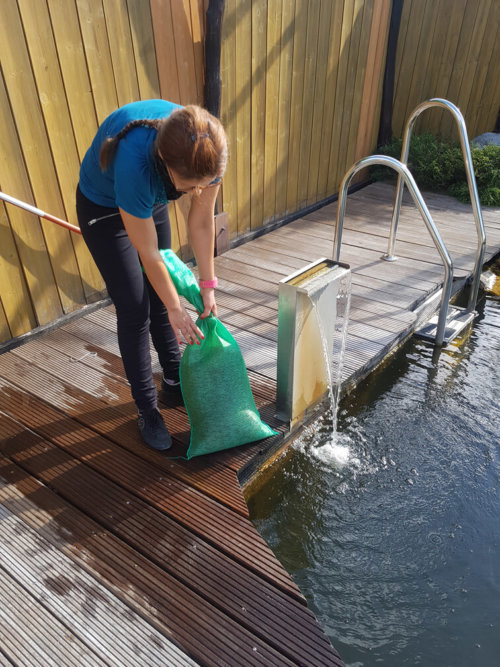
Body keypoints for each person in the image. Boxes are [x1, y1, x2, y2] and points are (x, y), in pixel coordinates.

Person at [76, 100, 228, 451]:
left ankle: (174, 381)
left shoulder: (209, 150)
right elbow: (149, 256)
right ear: (165, 164)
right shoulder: (136, 164)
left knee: (164, 295)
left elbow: (202, 222)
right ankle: (147, 409)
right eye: (191, 187)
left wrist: (207, 288)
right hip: (103, 207)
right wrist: (177, 309)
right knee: (135, 307)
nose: (197, 193)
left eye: (203, 184)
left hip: (150, 196)